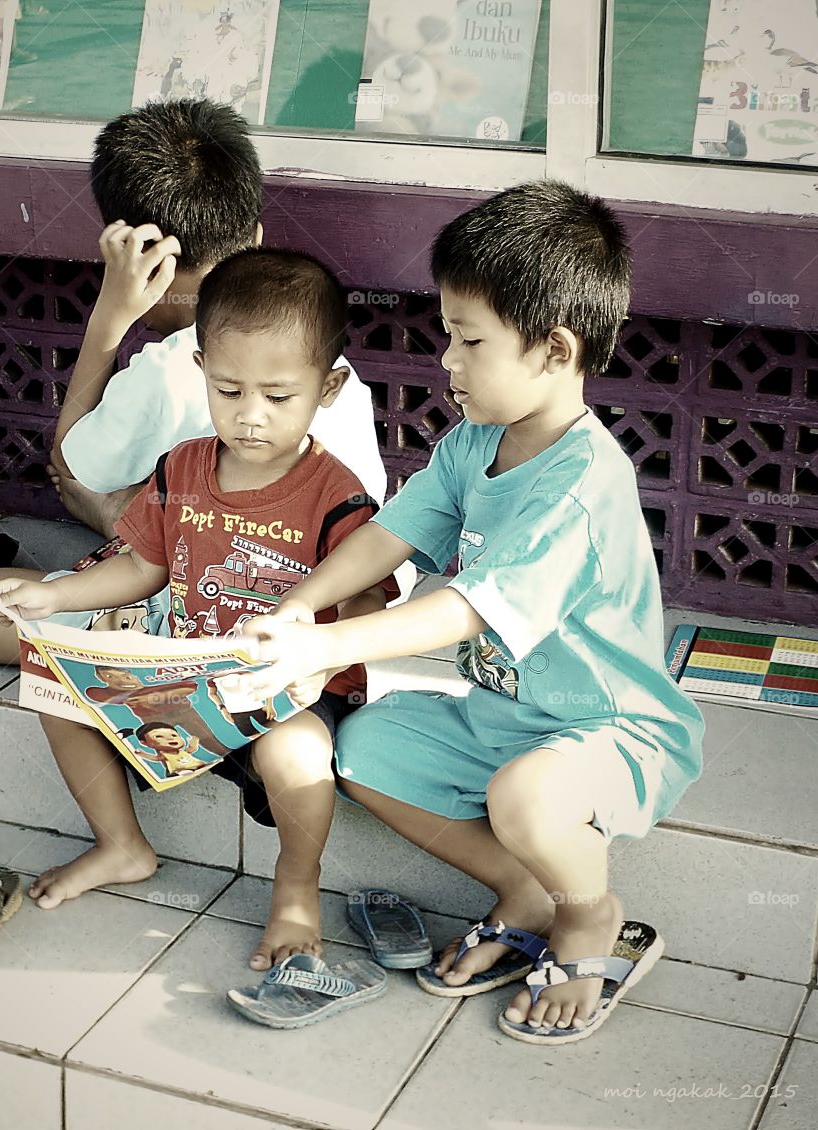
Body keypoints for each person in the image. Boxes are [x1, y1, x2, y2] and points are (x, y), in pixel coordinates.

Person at [235, 181, 705, 1042]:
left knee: (526, 796)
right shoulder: (473, 441)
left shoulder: (582, 486)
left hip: (609, 728)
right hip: (502, 716)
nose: (446, 360)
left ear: (554, 349)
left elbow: (464, 611)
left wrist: (324, 644)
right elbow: (392, 535)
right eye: (448, 334)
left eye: (469, 340)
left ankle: (585, 914)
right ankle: (522, 887)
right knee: (365, 747)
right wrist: (301, 608)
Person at [0, 248, 398, 971]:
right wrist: (50, 598)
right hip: (185, 676)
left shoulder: (338, 493)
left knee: (295, 752)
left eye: (278, 395)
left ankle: (296, 886)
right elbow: (143, 566)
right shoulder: (183, 468)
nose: (251, 417)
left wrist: (308, 653)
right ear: (202, 367)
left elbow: (366, 599)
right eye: (230, 391)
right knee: (51, 680)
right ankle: (121, 845)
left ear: (328, 387)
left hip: (287, 694)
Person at [0, 97, 396, 666]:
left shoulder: (174, 361)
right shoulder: (323, 364)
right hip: (329, 621)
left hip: (209, 620)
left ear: (140, 254)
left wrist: (110, 313)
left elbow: (74, 469)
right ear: (254, 233)